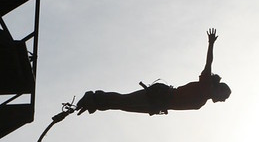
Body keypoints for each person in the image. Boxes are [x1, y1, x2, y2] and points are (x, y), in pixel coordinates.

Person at [76, 28, 231, 116]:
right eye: (223, 97)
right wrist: (211, 44)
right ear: (219, 90)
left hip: (157, 105)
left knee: (122, 105)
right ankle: (93, 97)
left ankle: (95, 103)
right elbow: (208, 62)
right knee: (123, 100)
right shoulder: (205, 87)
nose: (223, 101)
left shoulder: (202, 101)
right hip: (158, 96)